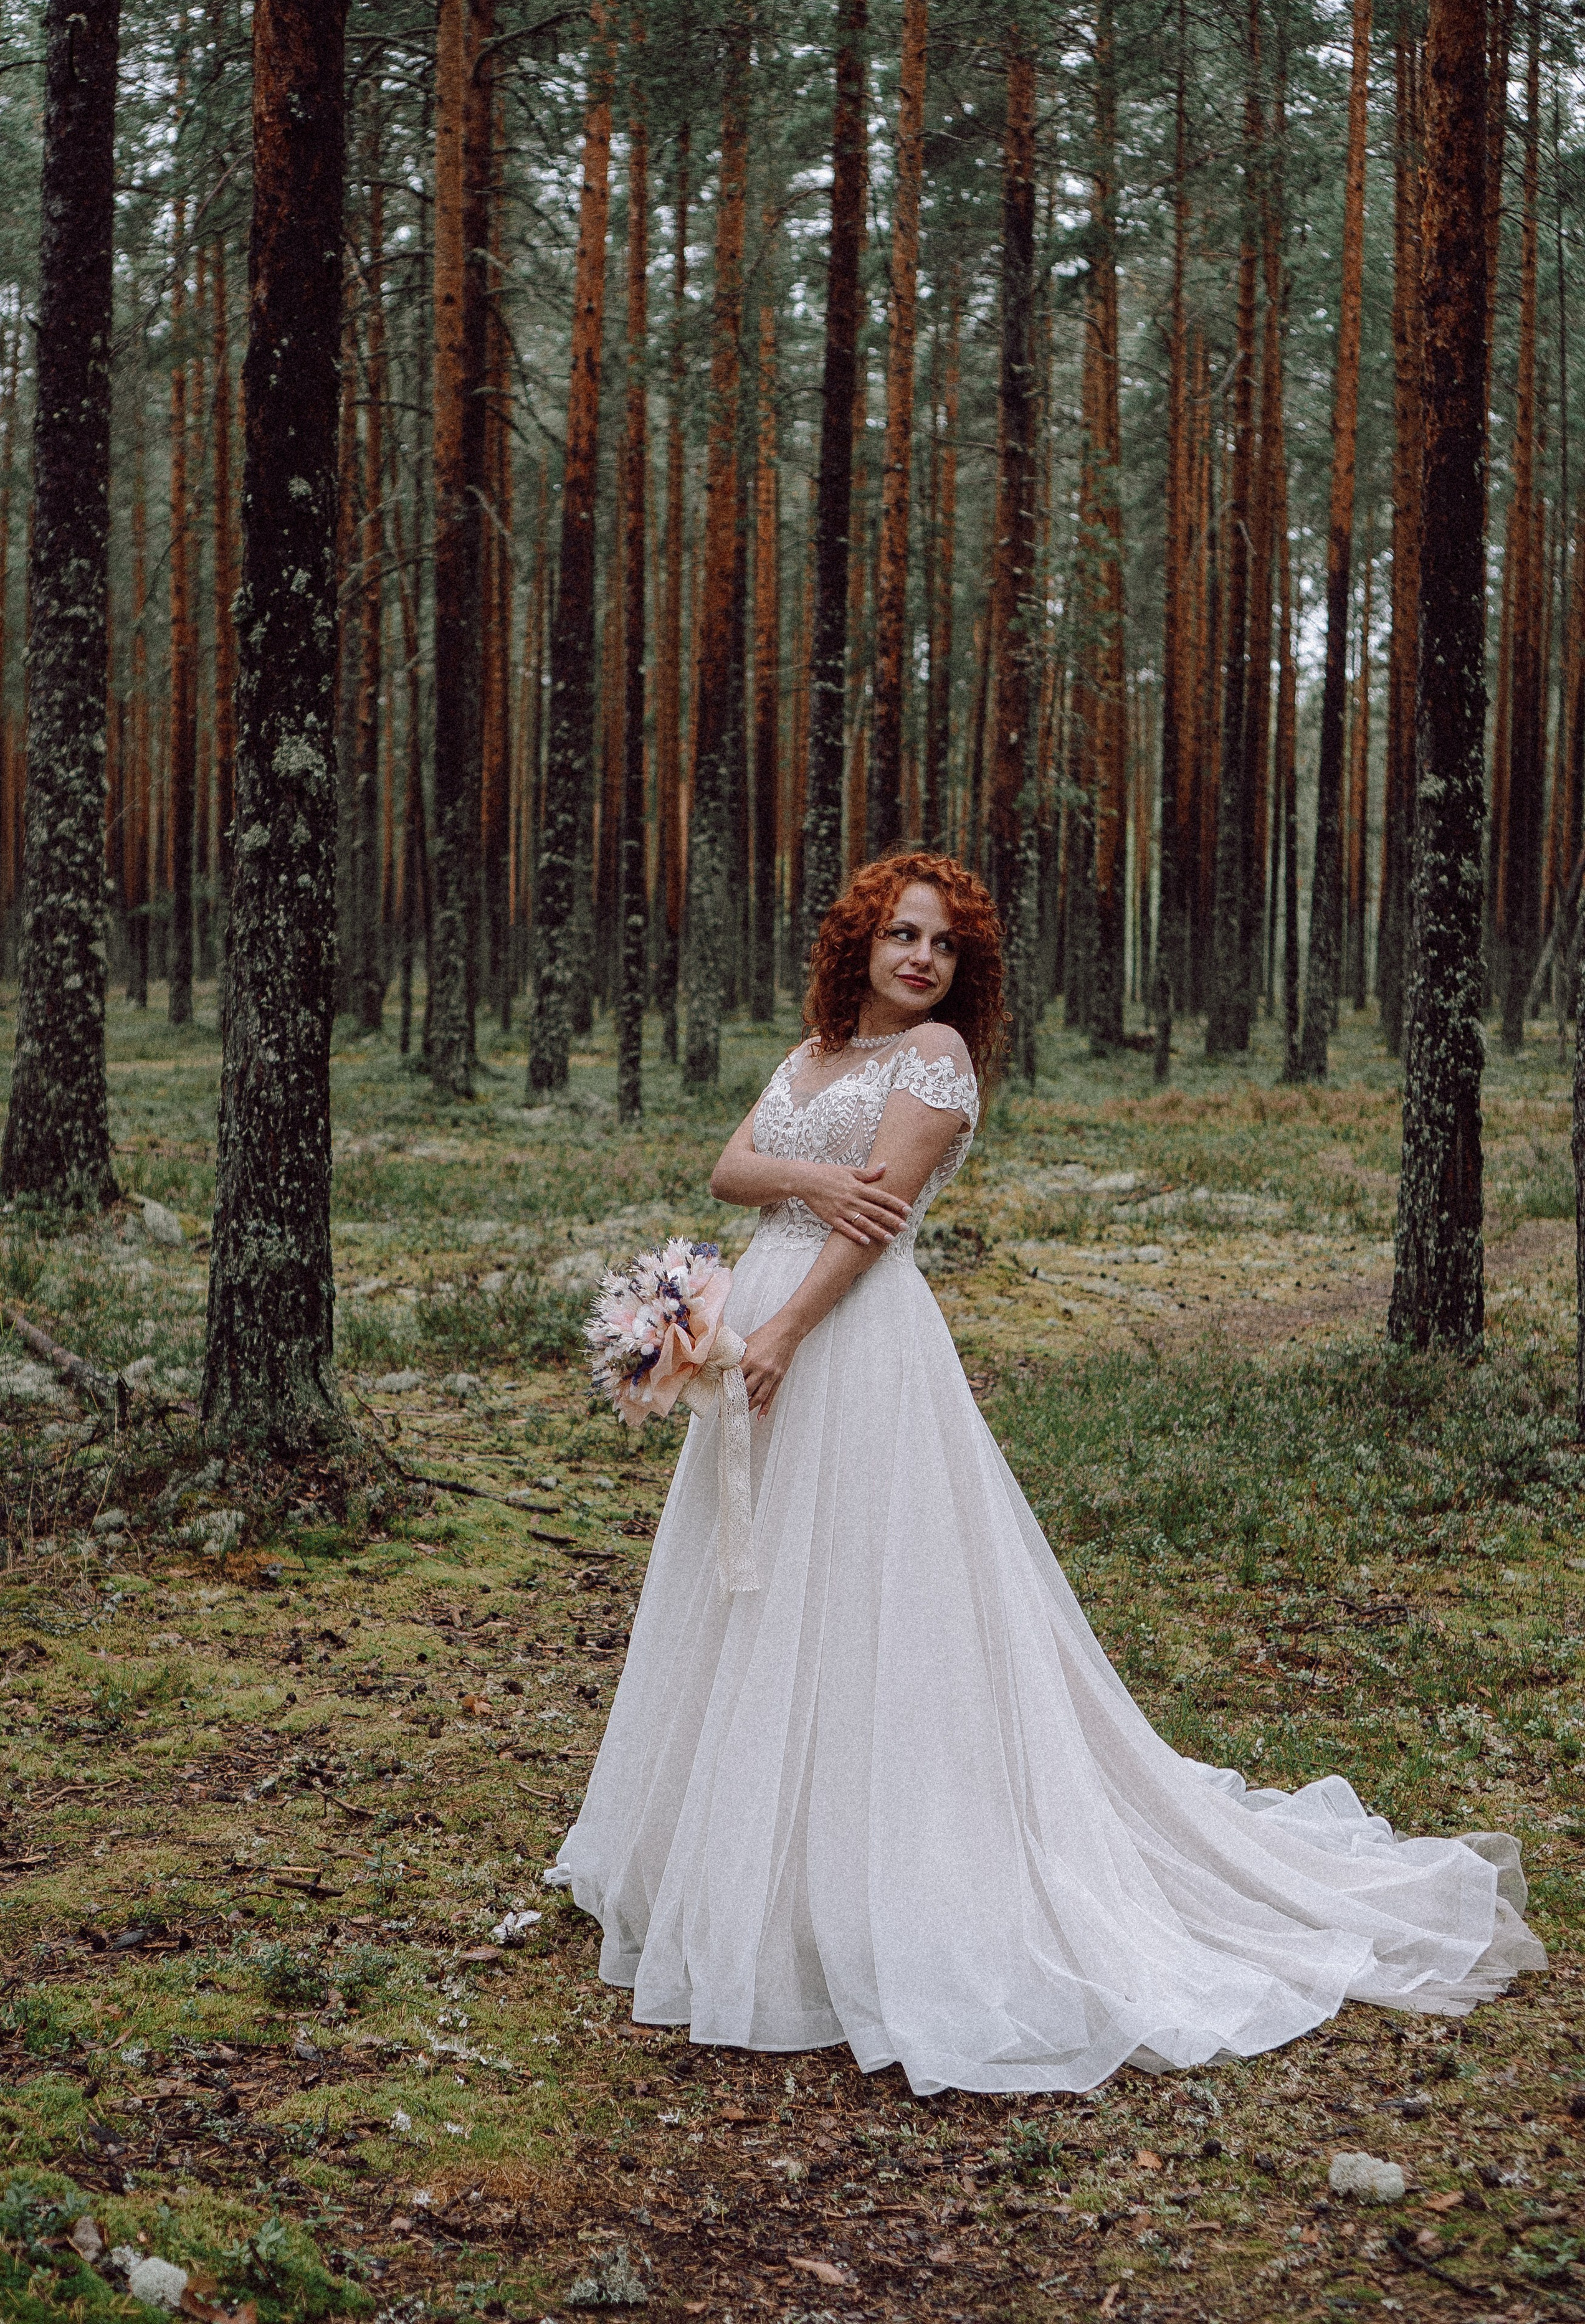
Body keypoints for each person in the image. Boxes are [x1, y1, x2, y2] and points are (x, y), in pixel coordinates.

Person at [550, 852, 1543, 2096]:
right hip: (757, 1339)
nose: (919, 960)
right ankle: (749, 1867)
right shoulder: (812, 1058)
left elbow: (879, 1224)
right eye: (901, 936)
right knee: (750, 1591)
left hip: (846, 1347)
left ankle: (883, 1882)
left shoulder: (935, 1064)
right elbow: (730, 1171)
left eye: (944, 948)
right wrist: (800, 1187)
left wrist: (788, 1333)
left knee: (867, 1592)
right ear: (857, 941)